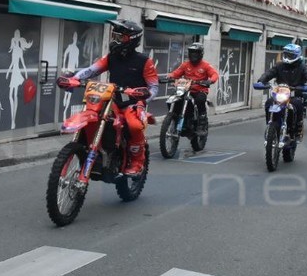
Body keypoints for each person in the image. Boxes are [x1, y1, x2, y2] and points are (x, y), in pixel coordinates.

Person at [65, 20, 159, 175]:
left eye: (120, 37)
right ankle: (92, 148)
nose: (115, 41)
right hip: (112, 100)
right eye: (114, 36)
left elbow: (153, 87)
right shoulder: (111, 57)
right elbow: (91, 70)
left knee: (134, 126)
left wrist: (143, 100)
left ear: (132, 39)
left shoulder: (144, 61)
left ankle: (137, 161)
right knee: (94, 115)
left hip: (133, 103)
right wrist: (74, 79)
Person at [254, 43, 307, 140]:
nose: (287, 57)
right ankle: (270, 124)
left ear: (297, 55)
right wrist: (261, 81)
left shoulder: (302, 67)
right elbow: (269, 73)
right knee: (269, 102)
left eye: (290, 55)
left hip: (294, 93)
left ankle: (298, 130)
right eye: (286, 54)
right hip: (280, 93)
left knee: (298, 104)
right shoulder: (279, 65)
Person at [168, 42, 219, 136]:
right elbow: (176, 73)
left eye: (196, 52)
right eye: (191, 52)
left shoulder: (206, 66)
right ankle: (174, 118)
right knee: (173, 98)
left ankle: (202, 125)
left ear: (201, 54)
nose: (193, 54)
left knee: (200, 100)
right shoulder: (185, 65)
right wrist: (169, 76)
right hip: (186, 90)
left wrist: (210, 81)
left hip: (200, 90)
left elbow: (214, 74)